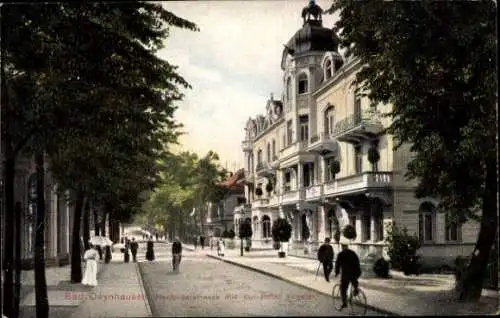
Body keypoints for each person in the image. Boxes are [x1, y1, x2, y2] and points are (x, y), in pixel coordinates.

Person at [335, 236, 362, 310]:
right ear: (347, 246)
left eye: (342, 246)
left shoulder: (340, 255)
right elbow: (357, 262)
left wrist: (336, 273)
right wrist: (358, 272)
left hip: (346, 275)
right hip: (355, 273)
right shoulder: (352, 253)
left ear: (342, 246)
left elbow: (337, 265)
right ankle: (356, 290)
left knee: (343, 289)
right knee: (354, 282)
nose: (343, 247)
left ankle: (344, 304)